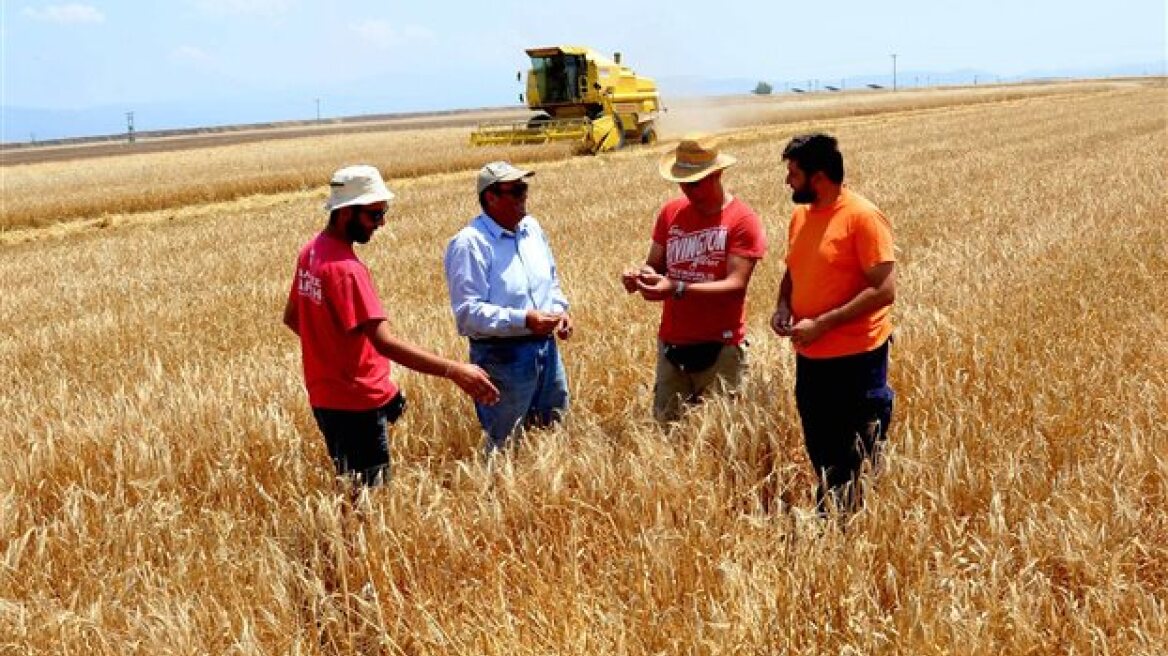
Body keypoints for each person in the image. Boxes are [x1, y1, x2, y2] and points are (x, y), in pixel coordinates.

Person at [283, 164, 499, 486]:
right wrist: (455, 370)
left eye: (384, 212)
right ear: (345, 213)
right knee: (371, 498)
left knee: (353, 486)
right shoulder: (346, 270)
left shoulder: (312, 251)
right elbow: (385, 343)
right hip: (357, 403)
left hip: (325, 396)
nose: (381, 222)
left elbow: (293, 317)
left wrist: (335, 359)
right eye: (374, 214)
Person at [771, 133, 896, 513]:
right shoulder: (800, 216)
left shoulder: (862, 218)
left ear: (819, 177)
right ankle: (833, 515)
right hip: (811, 355)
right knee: (821, 445)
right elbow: (793, 269)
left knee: (857, 447)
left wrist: (823, 323)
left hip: (857, 358)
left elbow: (884, 291)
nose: (788, 181)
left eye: (794, 173)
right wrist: (782, 305)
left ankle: (853, 524)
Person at [621, 135, 767, 423]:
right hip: (672, 343)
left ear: (717, 174)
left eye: (696, 183)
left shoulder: (741, 220)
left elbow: (735, 285)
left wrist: (676, 287)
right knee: (667, 433)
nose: (688, 190)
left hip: (721, 348)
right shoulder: (670, 214)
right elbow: (655, 265)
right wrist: (641, 277)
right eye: (683, 183)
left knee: (719, 439)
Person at [444, 161, 572, 451]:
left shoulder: (532, 228)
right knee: (505, 446)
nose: (524, 195)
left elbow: (549, 280)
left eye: (524, 188)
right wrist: (524, 319)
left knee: (553, 432)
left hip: (547, 350)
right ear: (491, 197)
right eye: (516, 190)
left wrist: (559, 309)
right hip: (502, 357)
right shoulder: (470, 244)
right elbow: (467, 314)